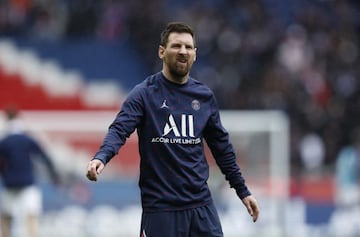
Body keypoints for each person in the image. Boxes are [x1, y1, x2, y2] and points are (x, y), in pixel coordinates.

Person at [86, 22, 259, 237]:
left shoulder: (204, 97)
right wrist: (102, 157)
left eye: (188, 47)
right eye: (176, 46)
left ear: (195, 54)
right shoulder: (144, 94)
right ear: (162, 51)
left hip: (201, 208)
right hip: (161, 210)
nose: (183, 52)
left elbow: (222, 149)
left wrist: (242, 191)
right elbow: (120, 129)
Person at [0, 107, 60, 237]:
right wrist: (54, 175)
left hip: (10, 184)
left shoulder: (4, 142)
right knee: (32, 218)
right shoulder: (27, 139)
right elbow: (44, 156)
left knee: (6, 218)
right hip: (28, 184)